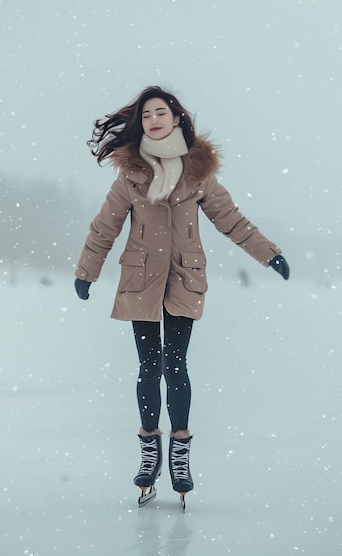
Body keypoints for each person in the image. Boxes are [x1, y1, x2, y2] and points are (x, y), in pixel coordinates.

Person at [74, 86, 290, 508]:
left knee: (175, 365)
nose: (154, 119)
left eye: (162, 112)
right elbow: (106, 226)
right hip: (141, 279)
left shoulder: (198, 173)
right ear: (142, 124)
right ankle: (149, 451)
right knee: (148, 365)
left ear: (176, 118)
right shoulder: (130, 175)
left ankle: (180, 453)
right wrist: (87, 272)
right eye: (148, 115)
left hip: (184, 279)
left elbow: (231, 220)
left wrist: (270, 254)